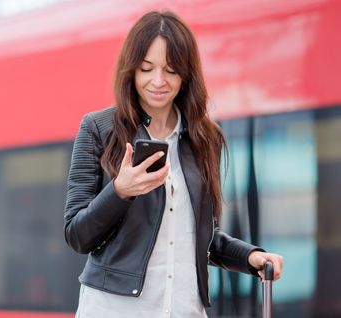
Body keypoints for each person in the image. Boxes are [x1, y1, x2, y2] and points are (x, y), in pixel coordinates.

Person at [63, 10, 284, 317]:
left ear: (186, 73)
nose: (158, 81)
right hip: (114, 309)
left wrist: (249, 257)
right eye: (146, 68)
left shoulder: (204, 138)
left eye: (170, 69)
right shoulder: (98, 129)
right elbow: (77, 234)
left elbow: (199, 234)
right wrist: (120, 191)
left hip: (184, 308)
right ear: (132, 71)